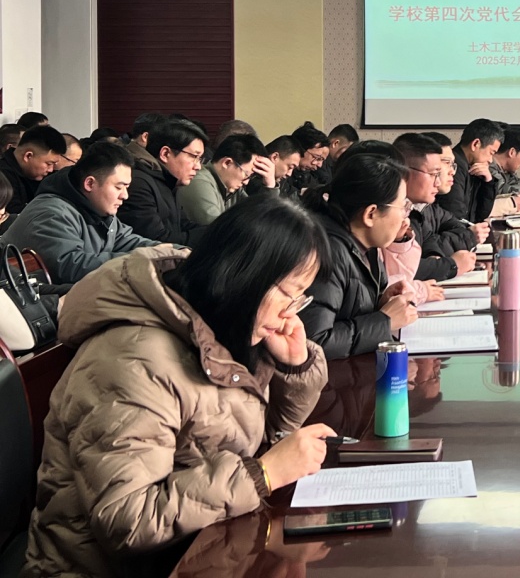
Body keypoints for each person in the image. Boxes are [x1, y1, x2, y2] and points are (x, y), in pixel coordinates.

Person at [22, 197, 334, 578]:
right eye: (289, 294)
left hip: (192, 548)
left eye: (301, 298)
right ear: (244, 276)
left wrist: (293, 367)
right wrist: (263, 475)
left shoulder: (223, 330)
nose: (291, 313)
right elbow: (128, 519)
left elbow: (260, 441)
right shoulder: (136, 361)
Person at [298, 151, 422, 359]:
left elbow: (344, 312)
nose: (405, 217)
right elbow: (313, 343)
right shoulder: (327, 252)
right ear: (370, 214)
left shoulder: (366, 246)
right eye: (403, 207)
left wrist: (380, 304)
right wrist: (384, 321)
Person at [0, 142, 160, 284]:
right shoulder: (52, 213)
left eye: (127, 187)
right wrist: (143, 259)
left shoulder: (98, 209)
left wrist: (168, 251)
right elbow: (71, 268)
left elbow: (126, 240)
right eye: (119, 187)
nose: (125, 195)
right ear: (89, 183)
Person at [392, 133, 480, 282]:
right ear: (405, 172)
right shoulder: (390, 211)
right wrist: (452, 265)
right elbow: (399, 269)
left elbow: (428, 238)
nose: (437, 182)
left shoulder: (416, 208)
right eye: (433, 174)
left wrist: (434, 257)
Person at [117, 118, 208, 246]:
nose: (198, 166)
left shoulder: (168, 180)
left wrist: (219, 230)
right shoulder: (138, 183)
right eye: (194, 156)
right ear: (165, 154)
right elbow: (156, 240)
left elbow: (183, 225)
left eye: (200, 159)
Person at [178, 133, 275, 224]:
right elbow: (218, 229)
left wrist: (270, 185)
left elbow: (259, 218)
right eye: (247, 175)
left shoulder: (231, 188)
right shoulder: (199, 182)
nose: (246, 182)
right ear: (227, 163)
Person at [421, 131, 488, 254]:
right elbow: (423, 251)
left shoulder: (430, 206)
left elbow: (456, 223)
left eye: (453, 165)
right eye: (447, 163)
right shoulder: (405, 210)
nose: (452, 171)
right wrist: (469, 236)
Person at [436, 118, 503, 224]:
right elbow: (455, 216)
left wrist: (488, 182)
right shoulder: (455, 168)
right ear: (476, 144)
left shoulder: (473, 167)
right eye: (491, 152)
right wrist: (472, 231)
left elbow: (481, 215)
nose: (490, 160)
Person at [0, 125, 68, 221]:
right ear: (28, 156)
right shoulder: (3, 177)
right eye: (49, 164)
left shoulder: (46, 176)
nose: (51, 169)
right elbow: (16, 214)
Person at [283, 122, 330, 200]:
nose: (319, 165)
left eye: (322, 160)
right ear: (301, 148)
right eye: (317, 158)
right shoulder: (281, 171)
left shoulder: (307, 175)